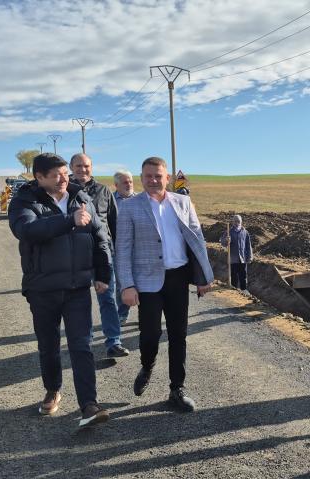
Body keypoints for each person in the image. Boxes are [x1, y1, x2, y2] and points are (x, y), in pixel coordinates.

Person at [8, 153, 112, 428]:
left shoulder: (81, 197)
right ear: (39, 177)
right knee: (49, 345)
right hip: (42, 289)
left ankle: (89, 404)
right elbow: (27, 230)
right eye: (55, 175)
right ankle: (53, 389)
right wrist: (69, 220)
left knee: (82, 345)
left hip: (77, 288)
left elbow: (99, 237)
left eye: (65, 173)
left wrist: (103, 273)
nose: (63, 179)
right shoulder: (24, 201)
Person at [116, 156, 214, 412]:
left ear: (167, 178)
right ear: (141, 178)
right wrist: (126, 285)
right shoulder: (129, 207)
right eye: (148, 176)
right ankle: (147, 365)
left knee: (178, 334)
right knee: (150, 334)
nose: (153, 180)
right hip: (147, 281)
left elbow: (197, 240)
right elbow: (122, 249)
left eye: (158, 176)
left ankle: (177, 388)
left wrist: (203, 278)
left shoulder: (183, 202)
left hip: (177, 278)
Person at [69, 153, 129, 358]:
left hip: (103, 255)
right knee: (79, 301)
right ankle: (84, 343)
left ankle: (114, 342)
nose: (82, 170)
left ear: (91, 167)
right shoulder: (64, 191)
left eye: (86, 166)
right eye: (78, 166)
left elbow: (115, 224)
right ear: (71, 167)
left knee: (108, 299)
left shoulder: (104, 191)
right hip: (75, 256)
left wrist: (120, 253)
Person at [112, 170, 136, 324]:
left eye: (130, 181)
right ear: (116, 185)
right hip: (118, 249)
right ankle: (122, 312)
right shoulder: (110, 201)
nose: (129, 185)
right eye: (125, 182)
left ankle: (145, 314)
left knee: (143, 281)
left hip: (139, 248)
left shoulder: (141, 199)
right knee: (122, 282)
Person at [220, 215, 253, 290]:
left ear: (241, 222)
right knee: (234, 276)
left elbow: (248, 245)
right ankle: (234, 290)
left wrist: (250, 256)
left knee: (243, 276)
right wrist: (226, 240)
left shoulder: (245, 232)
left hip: (243, 258)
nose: (237, 223)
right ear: (233, 222)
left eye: (238, 221)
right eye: (235, 221)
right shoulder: (229, 232)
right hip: (233, 259)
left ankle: (243, 290)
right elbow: (223, 243)